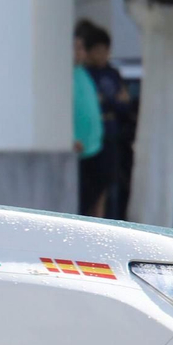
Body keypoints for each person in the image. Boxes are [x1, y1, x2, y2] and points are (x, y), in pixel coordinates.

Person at [76, 20, 135, 220]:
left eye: (106, 50)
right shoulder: (84, 74)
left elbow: (124, 105)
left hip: (112, 137)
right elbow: (100, 103)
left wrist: (109, 103)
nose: (103, 55)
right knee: (90, 190)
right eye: (98, 50)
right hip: (90, 144)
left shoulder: (113, 73)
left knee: (111, 189)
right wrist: (112, 102)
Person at [72, 31, 107, 216]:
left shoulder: (82, 73)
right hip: (77, 150)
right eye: (77, 48)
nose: (81, 53)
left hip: (94, 147)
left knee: (98, 193)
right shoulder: (60, 76)